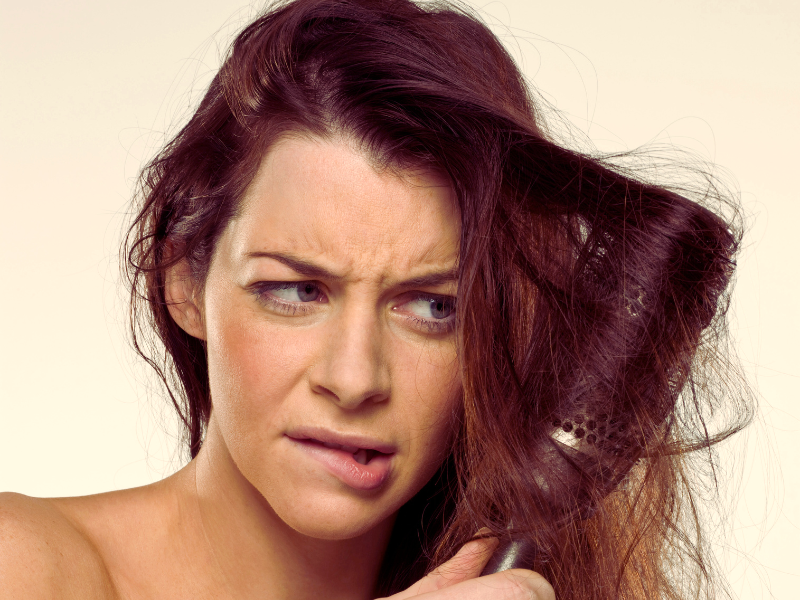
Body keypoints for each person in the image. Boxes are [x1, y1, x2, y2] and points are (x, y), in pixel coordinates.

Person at [0, 0, 751, 598]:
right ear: (184, 283)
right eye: (296, 290)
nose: (356, 379)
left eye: (433, 308)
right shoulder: (28, 566)